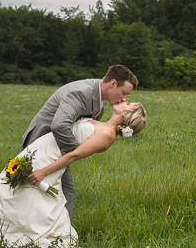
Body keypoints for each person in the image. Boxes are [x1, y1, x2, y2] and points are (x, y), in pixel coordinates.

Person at [0, 101, 147, 248]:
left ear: (125, 114)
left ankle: (15, 236)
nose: (124, 100)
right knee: (15, 190)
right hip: (41, 149)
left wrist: (44, 171)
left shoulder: (107, 135)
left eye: (129, 103)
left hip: (49, 159)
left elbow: (73, 155)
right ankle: (2, 232)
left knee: (25, 193)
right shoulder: (103, 125)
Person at [21, 65, 138, 223]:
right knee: (63, 191)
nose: (124, 99)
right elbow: (59, 126)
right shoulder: (82, 92)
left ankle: (56, 232)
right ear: (113, 84)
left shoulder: (101, 101)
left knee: (62, 191)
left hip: (58, 146)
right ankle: (58, 235)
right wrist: (76, 151)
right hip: (42, 142)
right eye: (124, 93)